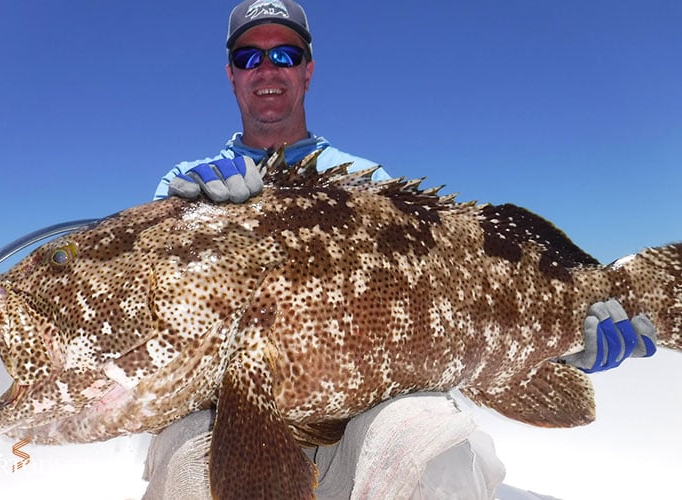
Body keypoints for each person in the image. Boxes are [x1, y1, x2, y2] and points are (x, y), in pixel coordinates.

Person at [144, 2, 658, 498]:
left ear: (308, 70)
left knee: (438, 453)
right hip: (227, 419)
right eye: (248, 56)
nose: (266, 68)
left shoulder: (364, 182)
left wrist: (563, 346)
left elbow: (457, 301)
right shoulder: (187, 188)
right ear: (231, 74)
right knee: (186, 472)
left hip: (362, 426)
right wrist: (181, 210)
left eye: (285, 53)